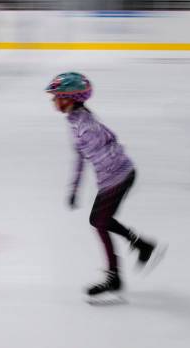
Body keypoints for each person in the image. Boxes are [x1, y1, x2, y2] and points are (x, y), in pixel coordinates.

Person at [45, 72, 164, 299]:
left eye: (56, 96)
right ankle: (139, 248)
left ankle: (117, 274)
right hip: (116, 176)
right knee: (100, 220)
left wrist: (110, 179)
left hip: (118, 177)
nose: (52, 101)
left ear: (69, 99)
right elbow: (80, 155)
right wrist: (75, 188)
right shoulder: (75, 120)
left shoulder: (85, 125)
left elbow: (109, 143)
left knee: (99, 221)